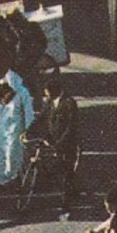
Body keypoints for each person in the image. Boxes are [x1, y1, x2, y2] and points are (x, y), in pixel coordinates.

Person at [40, 77, 82, 218]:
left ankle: (66, 207)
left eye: (47, 92)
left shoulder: (69, 103)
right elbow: (41, 117)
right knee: (58, 173)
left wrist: (60, 143)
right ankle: (72, 193)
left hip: (67, 146)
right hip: (55, 144)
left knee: (66, 176)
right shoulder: (50, 102)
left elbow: (71, 127)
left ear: (54, 91)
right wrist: (28, 132)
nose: (45, 95)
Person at [0, 77, 33, 186]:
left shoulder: (23, 93)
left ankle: (12, 178)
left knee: (12, 153)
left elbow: (28, 113)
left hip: (15, 129)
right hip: (1, 129)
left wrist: (28, 129)